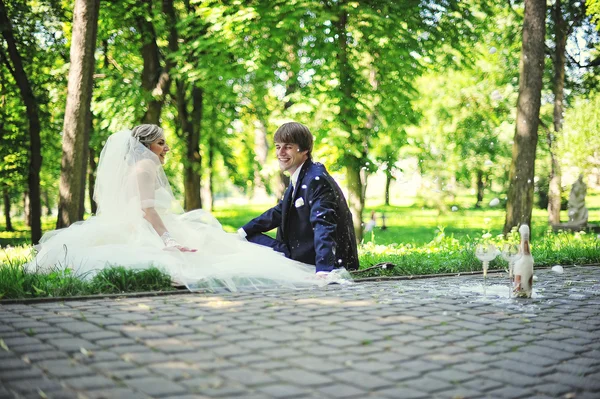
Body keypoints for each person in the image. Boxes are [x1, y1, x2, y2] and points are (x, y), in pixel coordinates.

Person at [28, 124, 350, 291]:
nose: (166, 148)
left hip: (307, 251)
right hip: (149, 226)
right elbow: (147, 211)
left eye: (287, 147)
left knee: (219, 242)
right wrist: (169, 240)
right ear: (146, 147)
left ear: (304, 151)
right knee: (212, 246)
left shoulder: (313, 178)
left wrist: (324, 267)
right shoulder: (145, 168)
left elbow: (320, 223)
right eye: (161, 143)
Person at [239, 122, 359, 275]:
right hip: (298, 249)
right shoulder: (301, 177)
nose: (280, 152)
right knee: (247, 237)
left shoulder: (316, 180)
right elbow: (279, 212)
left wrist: (323, 270)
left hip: (320, 260)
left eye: (288, 147)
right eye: (277, 146)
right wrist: (241, 232)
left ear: (305, 150)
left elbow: (324, 226)